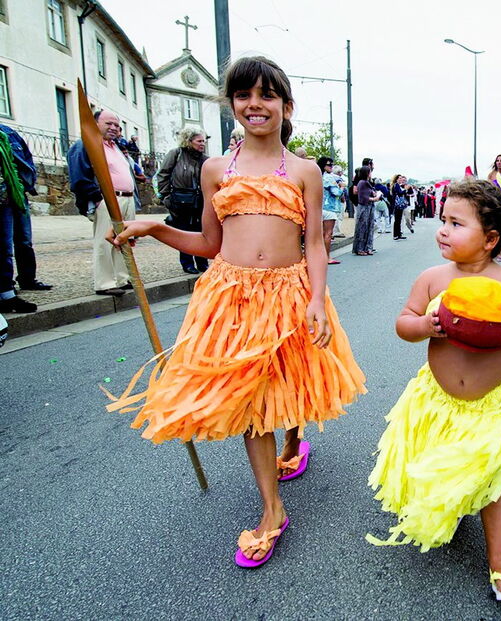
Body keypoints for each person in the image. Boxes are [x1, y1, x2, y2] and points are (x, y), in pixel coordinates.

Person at [105, 56, 366, 567]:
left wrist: (316, 297)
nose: (255, 104)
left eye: (267, 95)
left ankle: (294, 438)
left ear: (286, 107)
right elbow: (208, 241)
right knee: (251, 403)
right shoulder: (214, 169)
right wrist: (156, 229)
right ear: (232, 107)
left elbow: (314, 242)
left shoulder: (306, 172)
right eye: (244, 95)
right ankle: (273, 510)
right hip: (231, 298)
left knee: (293, 384)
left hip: (291, 293)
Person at [367, 177, 501, 600]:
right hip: (438, 401)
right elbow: (404, 322)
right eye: (442, 219)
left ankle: (500, 562)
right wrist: (425, 325)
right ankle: (448, 506)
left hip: (494, 405)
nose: (443, 229)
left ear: (490, 239)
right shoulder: (432, 278)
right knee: (441, 464)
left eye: (455, 223)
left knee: (494, 480)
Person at [67, 109, 137, 296]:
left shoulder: (115, 147)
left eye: (116, 125)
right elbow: (79, 177)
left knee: (123, 240)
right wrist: (97, 199)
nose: (114, 128)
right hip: (107, 198)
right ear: (96, 124)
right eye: (109, 124)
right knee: (104, 242)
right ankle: (105, 282)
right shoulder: (86, 145)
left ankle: (122, 278)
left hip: (126, 197)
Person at [1, 123, 52, 314]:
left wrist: (26, 185)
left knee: (23, 240)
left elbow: (26, 160)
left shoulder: (7, 133)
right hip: (5, 197)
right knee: (4, 247)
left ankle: (25, 280)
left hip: (13, 194)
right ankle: (6, 293)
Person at [156, 127, 209, 274]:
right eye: (199, 141)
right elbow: (163, 175)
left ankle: (202, 262)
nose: (202, 144)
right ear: (189, 141)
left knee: (201, 231)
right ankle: (187, 263)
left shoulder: (205, 159)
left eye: (204, 141)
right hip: (180, 200)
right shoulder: (176, 154)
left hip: (200, 200)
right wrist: (166, 197)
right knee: (184, 231)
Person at [317, 156, 342, 264]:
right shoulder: (328, 177)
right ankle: (327, 257)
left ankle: (318, 257)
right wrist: (341, 188)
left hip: (317, 207)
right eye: (329, 165)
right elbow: (336, 192)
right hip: (329, 207)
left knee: (319, 234)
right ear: (324, 165)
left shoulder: (316, 176)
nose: (331, 167)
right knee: (328, 234)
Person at [352, 165, 378, 256]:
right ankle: (360, 248)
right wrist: (375, 198)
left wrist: (374, 195)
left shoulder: (367, 183)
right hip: (364, 207)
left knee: (369, 227)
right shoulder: (362, 183)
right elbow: (363, 197)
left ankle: (368, 247)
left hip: (369, 207)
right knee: (362, 227)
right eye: (370, 172)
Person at [390, 174, 409, 240]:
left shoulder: (397, 185)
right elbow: (400, 193)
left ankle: (398, 234)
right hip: (397, 205)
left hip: (398, 204)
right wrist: (405, 190)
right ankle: (396, 235)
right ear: (396, 179)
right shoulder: (396, 185)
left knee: (399, 220)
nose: (401, 180)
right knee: (397, 220)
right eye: (400, 178)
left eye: (401, 178)